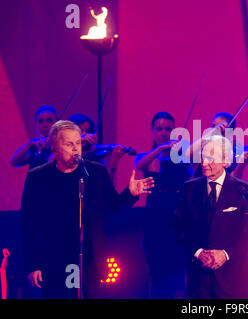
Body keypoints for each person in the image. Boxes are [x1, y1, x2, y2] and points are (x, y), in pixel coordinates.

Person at [21, 120, 154, 299]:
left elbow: (113, 205)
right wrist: (33, 264)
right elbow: (28, 225)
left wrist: (130, 194)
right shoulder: (38, 177)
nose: (76, 149)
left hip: (90, 257)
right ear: (54, 148)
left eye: (78, 143)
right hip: (52, 258)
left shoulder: (95, 172)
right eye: (69, 144)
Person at [176, 135, 248, 298]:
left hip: (233, 278)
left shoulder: (243, 190)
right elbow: (179, 229)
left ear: (225, 160)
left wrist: (225, 254)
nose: (204, 163)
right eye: (203, 157)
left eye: (210, 158)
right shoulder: (189, 189)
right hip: (199, 280)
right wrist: (199, 252)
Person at [134, 112, 192, 298]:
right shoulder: (148, 157)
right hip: (155, 221)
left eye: (168, 129)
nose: (164, 133)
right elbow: (139, 165)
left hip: (179, 218)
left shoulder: (183, 157)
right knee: (157, 271)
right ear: (152, 132)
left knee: (180, 271)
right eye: (159, 129)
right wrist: (160, 150)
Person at [69, 113, 126, 181]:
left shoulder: (95, 157)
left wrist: (114, 162)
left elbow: (107, 185)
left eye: (88, 131)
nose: (85, 134)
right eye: (80, 131)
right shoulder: (65, 152)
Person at [10, 105, 58, 170]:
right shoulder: (35, 146)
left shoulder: (62, 145)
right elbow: (14, 162)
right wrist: (29, 144)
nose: (45, 124)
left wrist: (49, 149)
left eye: (49, 120)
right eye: (41, 121)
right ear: (36, 124)